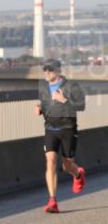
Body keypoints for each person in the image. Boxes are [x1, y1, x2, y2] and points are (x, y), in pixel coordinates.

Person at [35, 58, 86, 213]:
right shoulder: (42, 85)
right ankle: (52, 201)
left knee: (66, 165)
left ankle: (78, 174)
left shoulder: (71, 86)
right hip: (50, 128)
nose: (47, 72)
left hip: (68, 129)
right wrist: (40, 108)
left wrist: (64, 100)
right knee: (50, 161)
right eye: (45, 69)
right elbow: (44, 102)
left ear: (58, 71)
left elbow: (81, 106)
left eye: (50, 69)